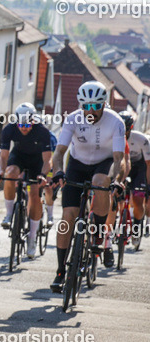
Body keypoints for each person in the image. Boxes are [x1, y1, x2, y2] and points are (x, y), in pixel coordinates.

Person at [49, 81, 126, 292]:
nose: (91, 111)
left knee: (100, 183)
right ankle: (60, 270)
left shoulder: (116, 122)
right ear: (81, 105)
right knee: (68, 217)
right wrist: (58, 172)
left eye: (95, 106)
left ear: (104, 104)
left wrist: (115, 179)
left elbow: (119, 158)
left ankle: (99, 232)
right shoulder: (72, 118)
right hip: (77, 164)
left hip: (104, 163)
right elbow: (58, 153)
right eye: (86, 106)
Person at [0, 102, 54, 258]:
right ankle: (8, 214)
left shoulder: (42, 131)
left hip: (37, 162)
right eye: (21, 124)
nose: (24, 127)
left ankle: (32, 238)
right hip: (19, 157)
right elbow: (4, 156)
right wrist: (1, 171)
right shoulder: (9, 129)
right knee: (10, 172)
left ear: (33, 120)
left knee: (34, 194)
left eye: (27, 124)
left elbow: (48, 160)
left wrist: (43, 175)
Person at [121, 110, 149, 232]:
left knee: (138, 200)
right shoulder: (112, 137)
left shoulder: (141, 139)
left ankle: (137, 226)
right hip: (122, 166)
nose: (123, 132)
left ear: (131, 128)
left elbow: (149, 164)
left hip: (139, 168)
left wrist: (148, 185)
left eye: (126, 129)